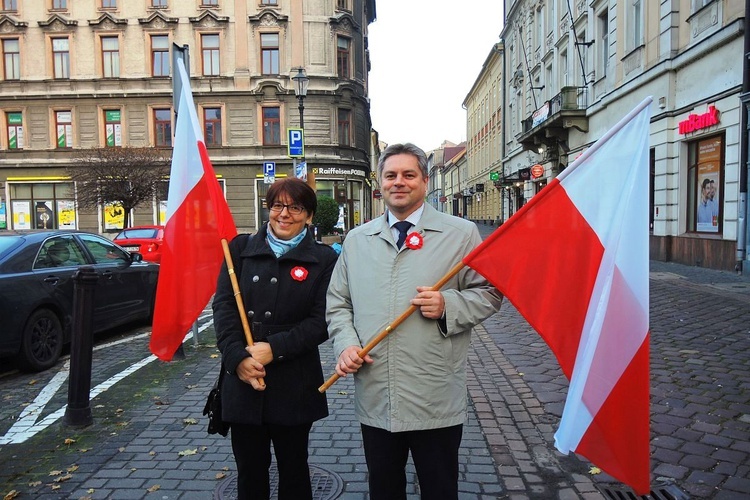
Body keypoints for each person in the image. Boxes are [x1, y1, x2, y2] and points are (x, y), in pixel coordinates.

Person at [326, 143, 503, 500]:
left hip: (434, 394)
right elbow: (338, 304)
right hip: (377, 393)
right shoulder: (358, 240)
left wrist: (447, 304)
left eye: (409, 175)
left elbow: (489, 292)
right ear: (380, 183)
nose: (399, 182)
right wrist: (345, 343)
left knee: (439, 489)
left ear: (424, 181)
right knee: (384, 488)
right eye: (391, 175)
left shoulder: (462, 233)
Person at [212, 178, 338, 500]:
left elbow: (322, 320)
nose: (285, 214)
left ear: (308, 215)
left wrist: (275, 349)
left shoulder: (325, 260)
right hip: (243, 381)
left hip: (294, 382)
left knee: (295, 471)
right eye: (277, 206)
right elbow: (224, 307)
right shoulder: (239, 249)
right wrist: (237, 358)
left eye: (295, 207)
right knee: (250, 472)